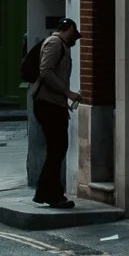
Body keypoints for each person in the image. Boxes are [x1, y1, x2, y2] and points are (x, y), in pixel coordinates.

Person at [29, 18, 80, 209]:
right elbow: (46, 72)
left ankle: (46, 192)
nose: (75, 39)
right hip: (47, 104)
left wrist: (62, 101)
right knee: (57, 149)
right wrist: (67, 93)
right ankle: (51, 195)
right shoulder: (54, 43)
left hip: (53, 104)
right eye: (74, 34)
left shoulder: (61, 45)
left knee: (57, 150)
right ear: (66, 29)